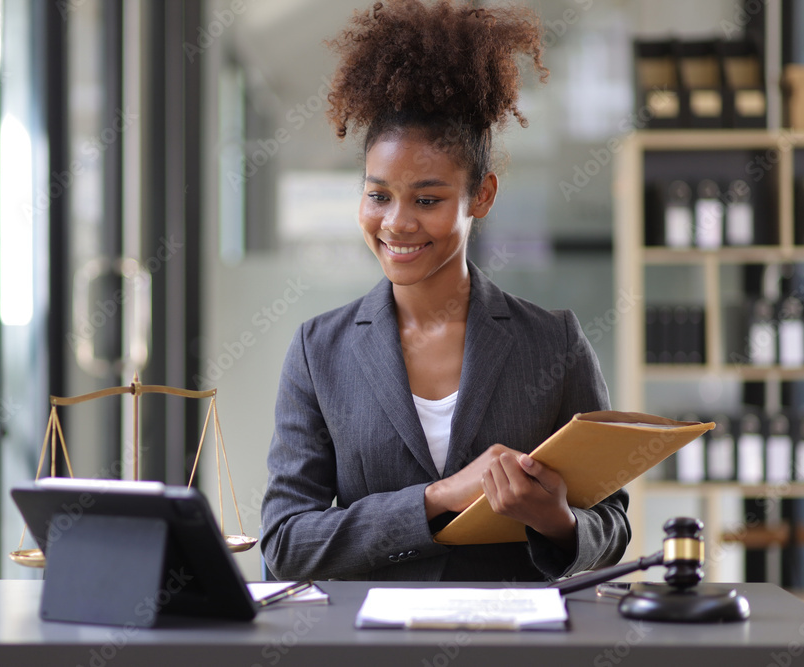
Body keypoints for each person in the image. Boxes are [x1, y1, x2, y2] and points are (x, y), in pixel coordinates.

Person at [260, 0, 630, 582]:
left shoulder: (551, 341)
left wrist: (557, 520)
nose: (397, 223)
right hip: (367, 642)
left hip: (513, 638)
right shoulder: (319, 351)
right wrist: (437, 499)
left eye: (427, 200)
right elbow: (284, 545)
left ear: (481, 197)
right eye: (379, 195)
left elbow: (611, 527)